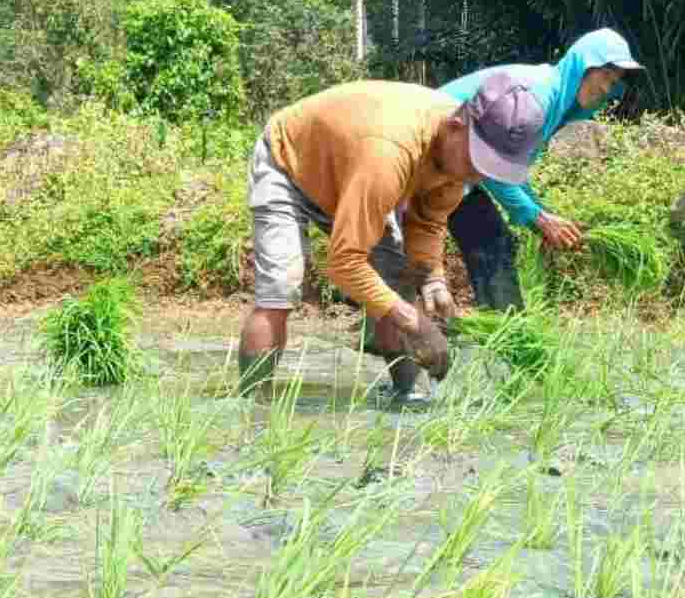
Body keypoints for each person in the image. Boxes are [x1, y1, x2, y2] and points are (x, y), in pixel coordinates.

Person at [237, 71, 547, 399]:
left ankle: (405, 398)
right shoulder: (389, 153)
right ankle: (253, 407)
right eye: (480, 162)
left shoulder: (459, 160)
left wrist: (433, 281)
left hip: (355, 178)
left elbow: (427, 223)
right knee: (281, 289)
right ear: (457, 126)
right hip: (290, 163)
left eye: (492, 168)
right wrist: (413, 321)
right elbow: (344, 262)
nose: (479, 174)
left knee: (399, 282)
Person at [440, 27, 645, 312]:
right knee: (399, 253)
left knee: (492, 240)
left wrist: (542, 215)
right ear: (584, 66)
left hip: (456, 170)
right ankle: (384, 340)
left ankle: (509, 338)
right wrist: (539, 219)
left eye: (614, 83)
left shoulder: (554, 103)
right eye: (605, 77)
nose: (606, 89)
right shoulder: (538, 96)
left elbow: (509, 170)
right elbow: (492, 166)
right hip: (427, 156)